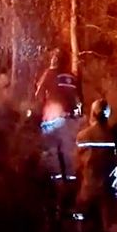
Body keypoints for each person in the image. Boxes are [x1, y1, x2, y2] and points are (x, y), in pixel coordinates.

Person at [75, 98, 117, 232]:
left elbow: (77, 163)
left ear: (93, 114)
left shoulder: (82, 136)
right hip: (110, 193)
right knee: (110, 231)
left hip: (88, 191)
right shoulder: (114, 135)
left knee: (82, 226)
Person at [34, 47, 83, 183]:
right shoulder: (72, 77)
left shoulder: (50, 73)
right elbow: (79, 99)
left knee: (51, 154)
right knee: (69, 156)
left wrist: (38, 109)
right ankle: (71, 189)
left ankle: (55, 189)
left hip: (53, 119)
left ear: (54, 59)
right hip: (71, 121)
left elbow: (38, 95)